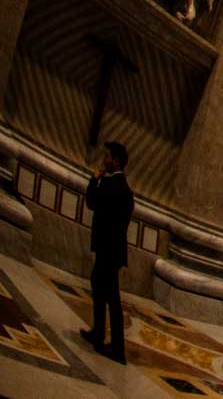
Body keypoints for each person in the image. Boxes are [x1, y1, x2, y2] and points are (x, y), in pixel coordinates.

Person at [81, 142, 134, 364]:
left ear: (117, 161)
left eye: (107, 157)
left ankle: (117, 349)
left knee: (110, 297)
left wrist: (94, 178)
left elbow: (91, 202)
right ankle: (99, 334)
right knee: (103, 291)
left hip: (107, 250)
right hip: (113, 250)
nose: (104, 160)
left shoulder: (112, 185)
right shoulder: (125, 189)